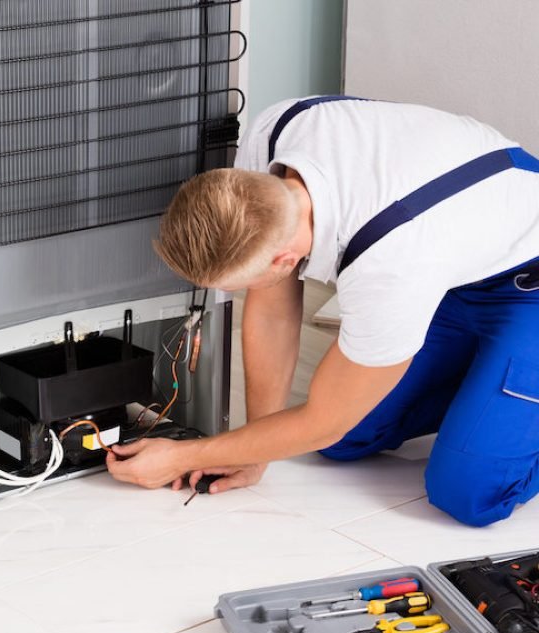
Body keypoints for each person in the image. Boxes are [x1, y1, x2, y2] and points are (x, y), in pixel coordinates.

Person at [107, 95, 539, 527]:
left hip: (525, 282)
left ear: (282, 261)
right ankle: (492, 388)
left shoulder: (388, 265)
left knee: (468, 494)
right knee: (345, 438)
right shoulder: (277, 133)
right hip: (459, 270)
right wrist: (254, 453)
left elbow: (324, 421)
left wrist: (185, 455)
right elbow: (274, 312)